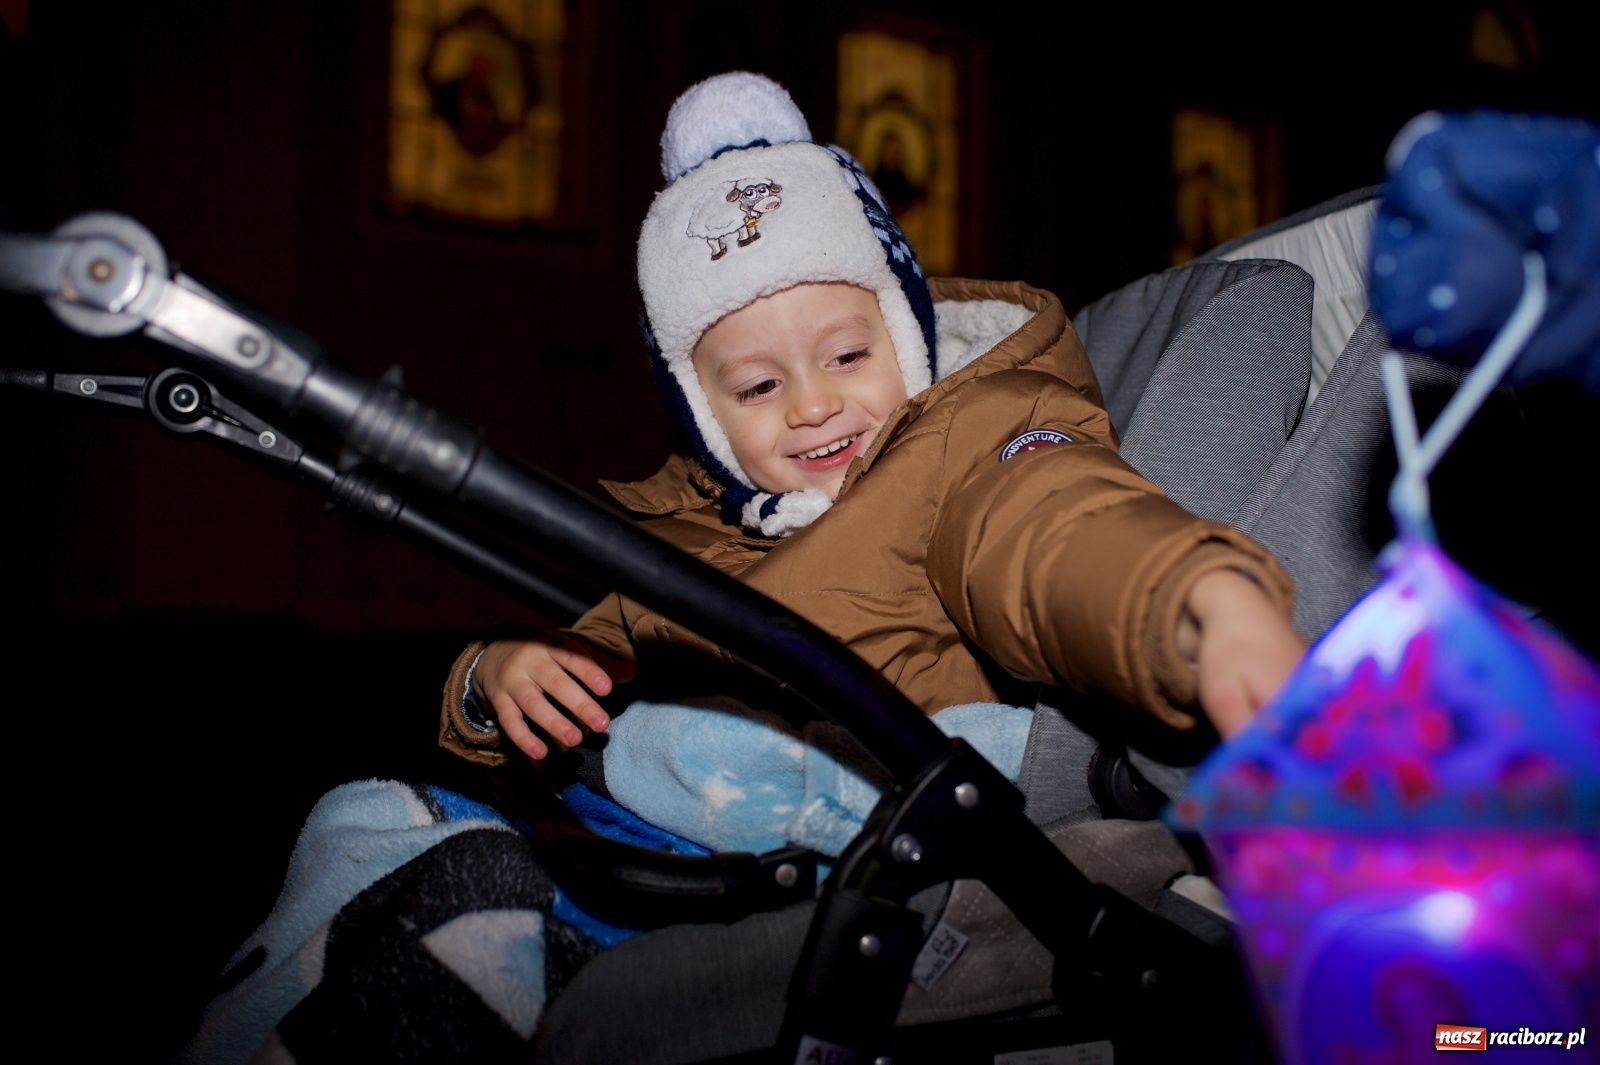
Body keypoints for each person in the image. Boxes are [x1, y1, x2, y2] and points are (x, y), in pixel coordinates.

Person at [438, 70, 1306, 778]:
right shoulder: (688, 529)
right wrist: (495, 675)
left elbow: (1053, 533)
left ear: (906, 337)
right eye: (758, 386)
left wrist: (1189, 599)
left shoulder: (966, 443)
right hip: (687, 853)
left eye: (848, 355)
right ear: (702, 417)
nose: (813, 405)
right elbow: (586, 637)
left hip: (904, 830)